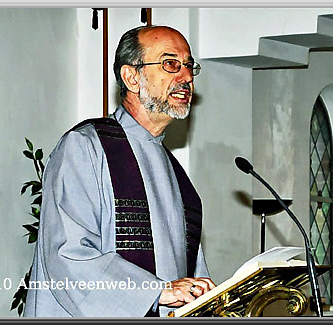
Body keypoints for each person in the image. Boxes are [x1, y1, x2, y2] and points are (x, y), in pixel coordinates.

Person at [23, 25, 215, 317]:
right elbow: (68, 256)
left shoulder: (177, 175)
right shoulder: (86, 147)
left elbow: (187, 274)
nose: (186, 76)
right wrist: (157, 291)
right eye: (170, 63)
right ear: (131, 77)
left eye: (189, 65)